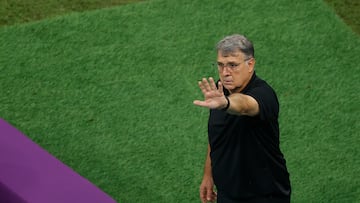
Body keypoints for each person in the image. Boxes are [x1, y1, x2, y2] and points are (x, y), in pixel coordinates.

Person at [193, 34, 291, 203]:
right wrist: (208, 175)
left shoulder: (263, 94)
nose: (225, 72)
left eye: (232, 65)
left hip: (264, 196)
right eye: (221, 65)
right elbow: (217, 135)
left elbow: (245, 105)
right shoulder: (219, 91)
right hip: (228, 193)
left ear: (250, 64)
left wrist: (226, 103)